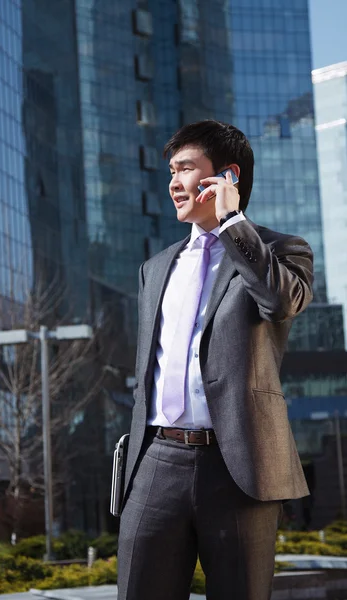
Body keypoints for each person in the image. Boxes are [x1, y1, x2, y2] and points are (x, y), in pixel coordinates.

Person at [117, 120, 313, 600]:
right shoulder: (156, 267)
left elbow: (280, 303)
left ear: (226, 177)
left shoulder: (281, 250)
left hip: (239, 466)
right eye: (171, 170)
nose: (173, 183)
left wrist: (231, 225)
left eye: (185, 169)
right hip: (156, 460)